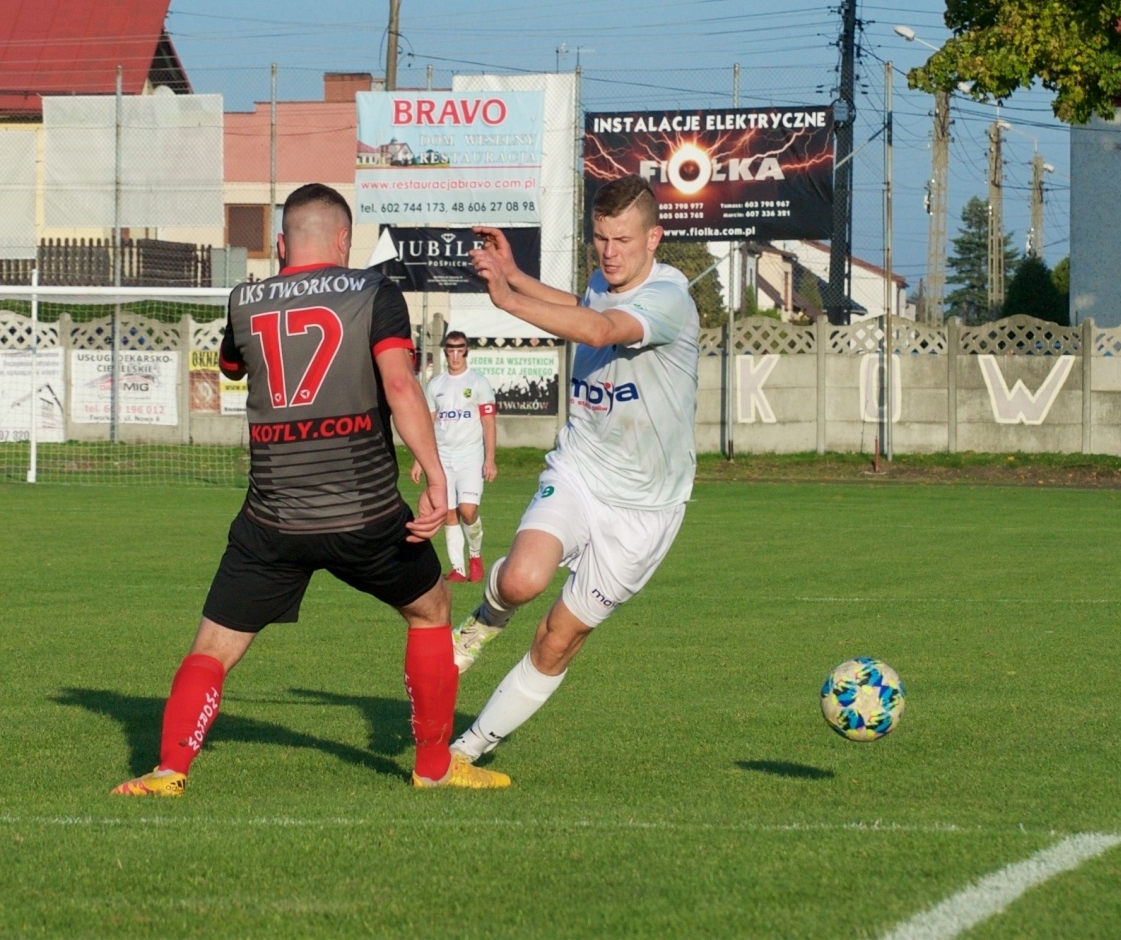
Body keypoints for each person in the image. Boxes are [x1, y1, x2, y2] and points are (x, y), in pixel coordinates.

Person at [111, 183, 509, 796]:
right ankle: (432, 766)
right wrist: (435, 475)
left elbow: (231, 368)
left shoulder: (245, 299)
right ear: (344, 241)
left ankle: (168, 770)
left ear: (279, 245)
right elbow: (402, 387)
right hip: (366, 512)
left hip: (273, 520)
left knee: (213, 646)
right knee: (430, 611)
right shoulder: (376, 291)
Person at [447, 174, 700, 772]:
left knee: (558, 638)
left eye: (622, 240)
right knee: (521, 581)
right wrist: (514, 276)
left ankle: (469, 749)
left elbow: (601, 330)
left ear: (653, 239)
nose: (609, 253)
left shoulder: (669, 299)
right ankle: (483, 622)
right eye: (599, 239)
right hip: (581, 468)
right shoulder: (604, 279)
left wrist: (507, 302)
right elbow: (584, 307)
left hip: (645, 511)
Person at [410, 330, 498, 583]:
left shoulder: (479, 383)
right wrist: (419, 459)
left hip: (470, 456)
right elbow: (428, 424)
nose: (455, 355)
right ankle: (458, 569)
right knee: (448, 512)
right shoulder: (435, 385)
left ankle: (475, 553)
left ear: (466, 351)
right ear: (445, 351)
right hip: (442, 457)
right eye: (451, 349)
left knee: (467, 510)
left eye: (460, 349)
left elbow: (489, 423)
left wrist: (489, 459)